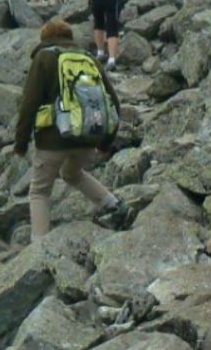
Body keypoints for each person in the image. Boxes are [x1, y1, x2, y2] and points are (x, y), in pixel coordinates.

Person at [15, 19, 134, 239]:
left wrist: (21, 142)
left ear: (45, 38)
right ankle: (113, 205)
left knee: (39, 191)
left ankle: (39, 249)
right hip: (87, 137)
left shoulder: (44, 57)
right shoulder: (88, 59)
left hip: (53, 139)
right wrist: (105, 142)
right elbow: (113, 103)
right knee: (71, 173)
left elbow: (29, 103)